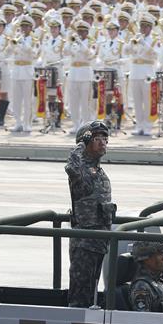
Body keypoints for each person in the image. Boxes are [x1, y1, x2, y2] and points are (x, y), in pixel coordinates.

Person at [66, 121, 114, 308]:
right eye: (96, 139)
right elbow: (71, 167)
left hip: (99, 243)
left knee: (92, 293)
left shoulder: (98, 170)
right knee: (80, 296)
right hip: (84, 243)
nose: (103, 142)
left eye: (105, 138)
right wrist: (81, 144)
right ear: (86, 143)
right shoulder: (80, 168)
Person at [129, 241, 163, 312]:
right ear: (146, 259)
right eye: (159, 254)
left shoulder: (160, 282)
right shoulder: (141, 287)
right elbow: (144, 319)